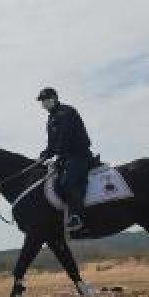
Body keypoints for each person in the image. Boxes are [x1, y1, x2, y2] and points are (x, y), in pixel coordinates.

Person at [36, 87, 93, 232]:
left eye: (45, 100)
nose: (43, 103)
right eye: (42, 101)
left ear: (54, 98)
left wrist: (57, 156)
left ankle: (77, 217)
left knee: (67, 182)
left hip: (78, 155)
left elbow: (65, 138)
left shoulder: (67, 112)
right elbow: (52, 144)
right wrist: (44, 155)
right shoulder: (51, 119)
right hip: (65, 158)